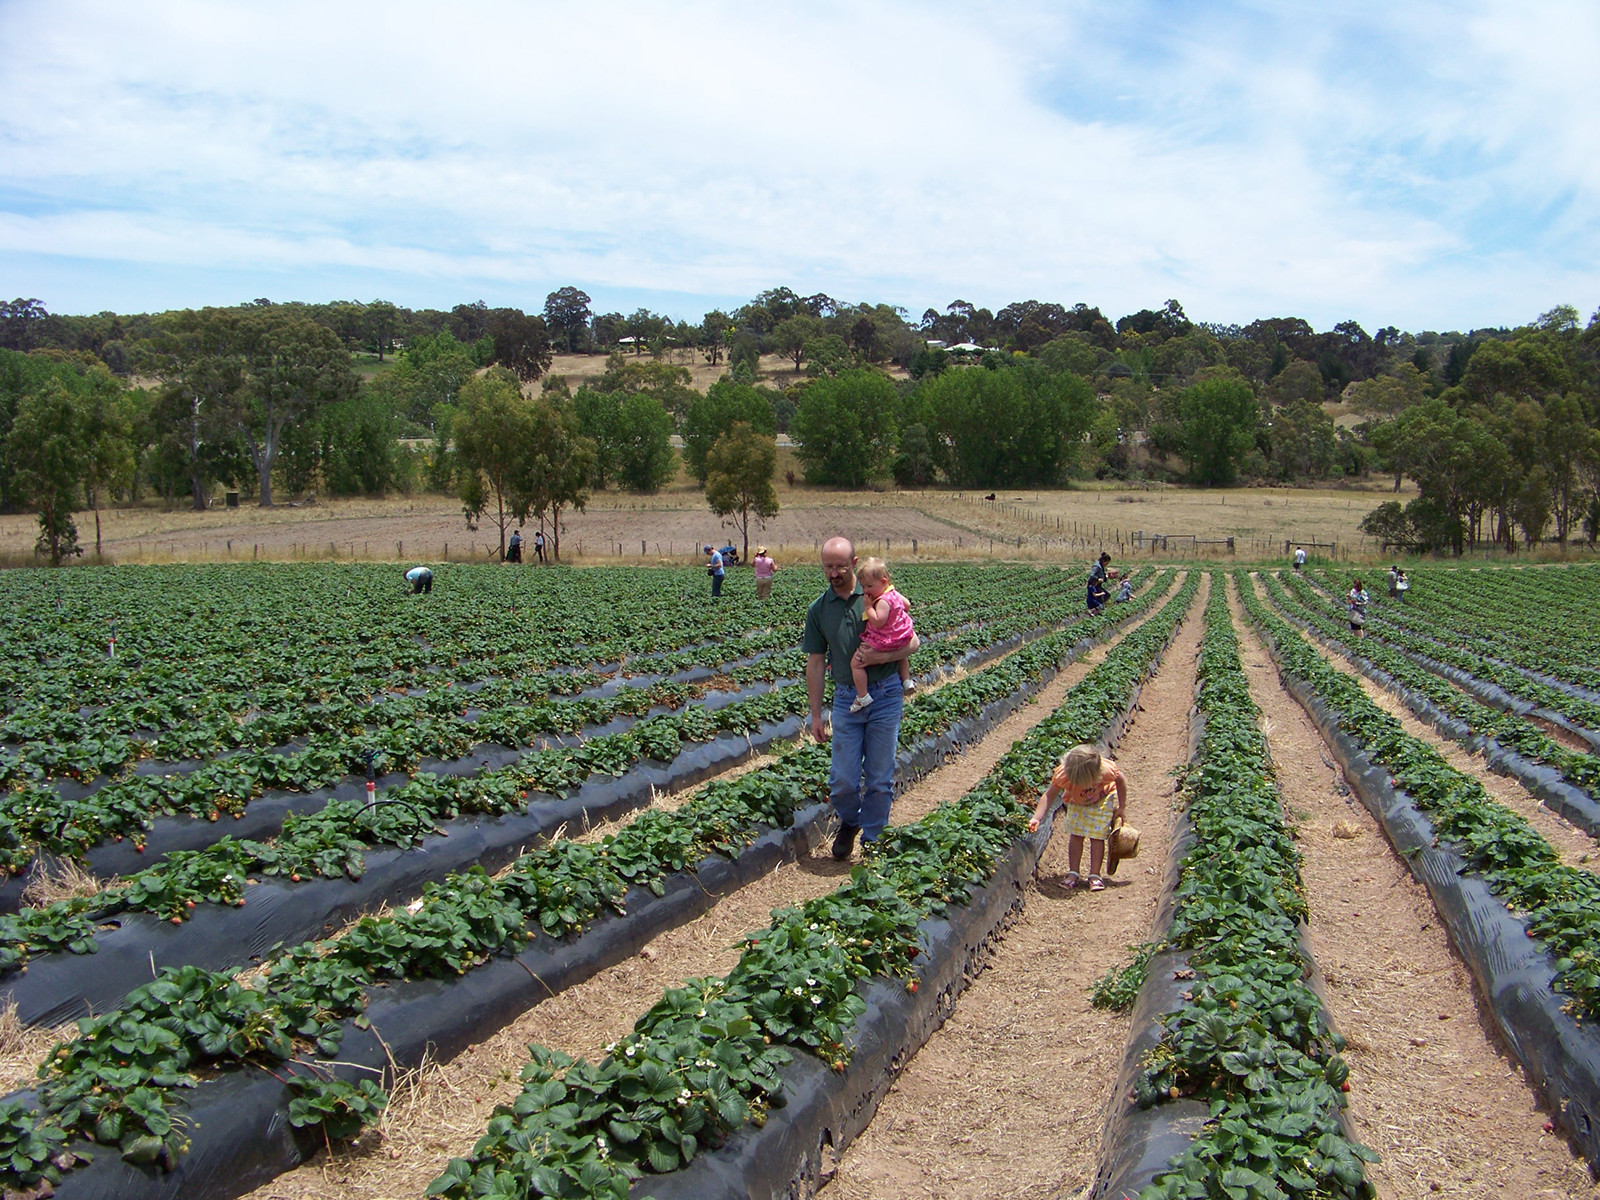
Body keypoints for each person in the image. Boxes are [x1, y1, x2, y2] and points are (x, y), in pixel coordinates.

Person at [803, 537, 921, 861]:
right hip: (846, 698)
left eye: (841, 566)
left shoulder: (876, 594)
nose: (834, 572)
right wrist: (816, 714)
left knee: (880, 777)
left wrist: (881, 659)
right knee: (842, 779)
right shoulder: (819, 609)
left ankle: (873, 838)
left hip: (885, 694)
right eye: (828, 566)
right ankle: (851, 820)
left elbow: (913, 642)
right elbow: (815, 663)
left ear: (853, 564)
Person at [1027, 743, 1127, 891]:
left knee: (1097, 837)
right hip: (1076, 801)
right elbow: (1049, 796)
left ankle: (1094, 875)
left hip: (1101, 800)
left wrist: (1122, 807)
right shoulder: (1064, 774)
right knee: (1076, 834)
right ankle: (1073, 873)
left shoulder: (1106, 770)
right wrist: (1037, 817)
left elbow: (1120, 781)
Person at [848, 557, 916, 713]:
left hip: (884, 639)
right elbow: (907, 605)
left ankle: (863, 696)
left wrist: (868, 607)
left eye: (869, 586)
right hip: (901, 635)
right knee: (902, 655)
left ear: (883, 582)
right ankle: (906, 680)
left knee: (856, 663)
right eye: (863, 586)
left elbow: (878, 621)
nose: (865, 590)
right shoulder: (893, 593)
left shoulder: (882, 601)